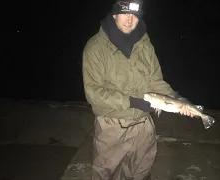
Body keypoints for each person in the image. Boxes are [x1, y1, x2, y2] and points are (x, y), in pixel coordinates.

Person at [82, 0, 193, 179]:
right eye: (125, 14)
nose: (130, 20)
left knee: (141, 173)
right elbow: (93, 92)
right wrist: (132, 101)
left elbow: (155, 80)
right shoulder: (95, 48)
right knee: (105, 174)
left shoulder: (144, 44)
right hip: (112, 126)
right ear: (114, 14)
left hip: (143, 126)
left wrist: (176, 98)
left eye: (134, 15)